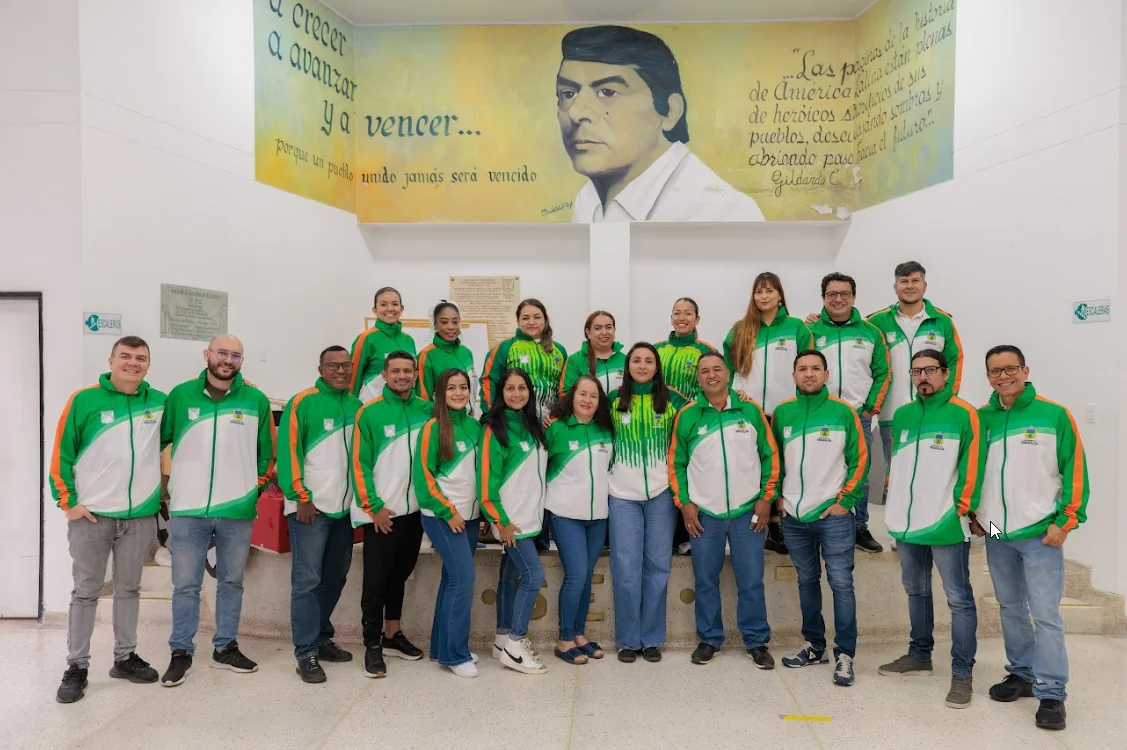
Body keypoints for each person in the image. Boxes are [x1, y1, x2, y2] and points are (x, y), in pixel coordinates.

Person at [975, 345, 1089, 732]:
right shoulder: (981, 418)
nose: (1002, 376)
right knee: (1009, 606)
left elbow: (1075, 470)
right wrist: (978, 517)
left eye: (1009, 369)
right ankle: (1022, 674)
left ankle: (1053, 693)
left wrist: (1066, 521)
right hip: (996, 533)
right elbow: (973, 473)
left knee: (1045, 614)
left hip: (1042, 533)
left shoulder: (1054, 414)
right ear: (987, 375)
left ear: (1025, 370)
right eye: (994, 371)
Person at [52, 336, 165, 704]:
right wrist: (66, 502)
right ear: (111, 360)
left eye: (141, 358)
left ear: (148, 364)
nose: (133, 363)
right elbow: (61, 453)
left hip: (139, 518)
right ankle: (77, 666)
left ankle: (125, 657)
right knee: (86, 592)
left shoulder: (160, 403)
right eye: (126, 357)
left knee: (129, 590)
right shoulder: (84, 400)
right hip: (92, 517)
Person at [160, 335, 276, 687]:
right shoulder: (180, 396)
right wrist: (169, 489)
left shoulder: (255, 399)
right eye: (222, 352)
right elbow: (163, 441)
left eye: (235, 354)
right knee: (185, 585)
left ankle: (225, 647)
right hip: (188, 509)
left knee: (231, 582)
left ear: (242, 360)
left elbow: (266, 453)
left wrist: (250, 490)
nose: (228, 359)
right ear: (207, 354)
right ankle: (181, 652)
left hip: (236, 512)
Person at [557, 25, 764, 223]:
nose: (575, 112)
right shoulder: (587, 201)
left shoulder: (722, 213)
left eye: (608, 92)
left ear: (670, 111)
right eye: (568, 94)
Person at [879, 350, 983, 709]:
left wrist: (960, 508)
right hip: (907, 525)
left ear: (945, 373)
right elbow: (899, 466)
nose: (922, 376)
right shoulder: (904, 415)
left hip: (945, 524)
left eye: (930, 370)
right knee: (916, 590)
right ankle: (919, 655)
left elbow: (973, 466)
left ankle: (962, 674)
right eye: (916, 370)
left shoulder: (963, 413)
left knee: (959, 599)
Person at [669, 352, 779, 668]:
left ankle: (757, 641)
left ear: (729, 374)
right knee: (705, 579)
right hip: (705, 514)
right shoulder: (688, 416)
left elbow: (770, 455)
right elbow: (676, 463)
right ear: (699, 378)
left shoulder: (750, 409)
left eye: (717, 369)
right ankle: (709, 639)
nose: (711, 375)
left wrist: (765, 498)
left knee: (751, 580)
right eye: (705, 371)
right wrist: (685, 504)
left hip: (748, 511)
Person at [772, 350, 866, 687]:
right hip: (794, 516)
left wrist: (846, 501)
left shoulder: (843, 412)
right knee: (806, 581)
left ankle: (845, 655)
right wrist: (779, 498)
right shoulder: (783, 413)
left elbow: (860, 460)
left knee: (841, 584)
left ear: (826, 374)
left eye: (815, 368)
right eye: (802, 369)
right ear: (794, 375)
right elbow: (775, 461)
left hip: (834, 515)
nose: (808, 374)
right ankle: (814, 645)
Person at [278, 345, 363, 684]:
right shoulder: (303, 401)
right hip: (310, 509)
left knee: (335, 577)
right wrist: (300, 496)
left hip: (345, 510)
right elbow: (289, 450)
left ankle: (321, 636)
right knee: (307, 581)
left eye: (346, 365)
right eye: (333, 366)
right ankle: (305, 652)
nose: (341, 371)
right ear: (321, 368)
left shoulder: (358, 406)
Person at [351, 350, 434, 679]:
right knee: (375, 581)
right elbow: (360, 464)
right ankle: (371, 643)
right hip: (382, 514)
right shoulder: (369, 413)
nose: (402, 376)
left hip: (415, 513)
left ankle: (392, 635)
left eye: (408, 371)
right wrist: (374, 507)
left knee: (400, 575)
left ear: (415, 374)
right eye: (396, 371)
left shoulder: (426, 410)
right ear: (384, 376)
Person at [725, 272, 812, 555]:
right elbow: (725, 368)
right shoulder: (741, 329)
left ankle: (781, 527)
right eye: (758, 292)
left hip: (785, 411)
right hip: (750, 413)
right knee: (756, 468)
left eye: (769, 291)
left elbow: (809, 366)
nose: (763, 296)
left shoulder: (797, 327)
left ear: (780, 295)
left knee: (783, 468)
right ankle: (760, 525)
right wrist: (734, 392)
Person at [865, 262, 963, 507]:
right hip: (893, 415)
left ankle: (932, 524)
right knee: (897, 474)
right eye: (904, 281)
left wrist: (946, 403)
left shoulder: (942, 321)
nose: (909, 286)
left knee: (935, 472)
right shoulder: (877, 322)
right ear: (895, 287)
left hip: (934, 414)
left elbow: (955, 363)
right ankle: (902, 530)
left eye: (915, 281)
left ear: (924, 285)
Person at [607, 342, 680, 663]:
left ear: (657, 366)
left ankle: (651, 638)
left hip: (661, 495)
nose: (641, 365)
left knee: (658, 566)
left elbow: (703, 410)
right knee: (625, 568)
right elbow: (579, 416)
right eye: (636, 360)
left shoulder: (672, 400)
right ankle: (627, 639)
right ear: (628, 366)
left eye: (648, 360)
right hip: (622, 495)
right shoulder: (612, 399)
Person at [809, 272, 890, 554]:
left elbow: (883, 372)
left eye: (844, 293)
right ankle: (821, 525)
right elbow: (800, 371)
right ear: (823, 298)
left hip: (859, 417)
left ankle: (860, 528)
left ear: (853, 297)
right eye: (832, 294)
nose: (838, 299)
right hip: (821, 418)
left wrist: (869, 410)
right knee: (821, 472)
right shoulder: (812, 332)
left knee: (862, 475)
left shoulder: (870, 332)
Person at [479, 368, 550, 675]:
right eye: (510, 388)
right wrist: (501, 522)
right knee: (533, 575)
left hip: (529, 518)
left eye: (522, 388)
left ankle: (501, 637)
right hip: (511, 521)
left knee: (510, 577)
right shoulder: (495, 428)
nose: (517, 393)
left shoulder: (533, 425)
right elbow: (487, 483)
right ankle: (516, 645)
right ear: (501, 392)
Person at [414, 368, 484, 678]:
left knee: (451, 580)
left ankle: (442, 647)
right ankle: (455, 656)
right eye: (451, 388)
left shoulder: (475, 427)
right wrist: (447, 511)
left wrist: (479, 514)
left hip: (469, 518)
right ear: (440, 393)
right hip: (444, 517)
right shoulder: (432, 428)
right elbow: (424, 478)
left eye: (463, 387)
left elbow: (479, 475)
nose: (458, 393)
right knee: (463, 580)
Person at [546, 376, 614, 665]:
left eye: (594, 396)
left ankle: (578, 634)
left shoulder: (606, 431)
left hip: (597, 517)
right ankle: (563, 640)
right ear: (572, 397)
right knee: (575, 576)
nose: (587, 400)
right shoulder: (556, 428)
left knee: (586, 578)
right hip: (565, 514)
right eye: (582, 394)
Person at [481, 298, 567, 422]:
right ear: (518, 321)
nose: (531, 322)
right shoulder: (504, 348)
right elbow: (489, 382)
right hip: (515, 419)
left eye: (537, 317)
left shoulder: (559, 350)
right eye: (525, 318)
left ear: (545, 320)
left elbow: (564, 388)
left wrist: (559, 416)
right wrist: (493, 416)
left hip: (550, 421)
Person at [349, 287, 416, 404]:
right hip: (373, 406)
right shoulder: (366, 339)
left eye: (395, 304)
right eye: (383, 304)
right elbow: (353, 378)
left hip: (404, 408)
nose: (390, 309)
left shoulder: (409, 340)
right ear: (375, 310)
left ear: (401, 309)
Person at [418, 301, 479, 417]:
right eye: (444, 322)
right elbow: (423, 399)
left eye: (455, 322)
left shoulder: (466, 352)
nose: (451, 327)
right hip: (442, 423)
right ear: (435, 325)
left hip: (467, 421)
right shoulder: (427, 355)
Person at [655, 297, 711, 405]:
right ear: (671, 318)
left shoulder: (706, 351)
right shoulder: (657, 349)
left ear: (697, 320)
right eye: (677, 313)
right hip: (658, 415)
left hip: (690, 415)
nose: (681, 318)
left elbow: (717, 385)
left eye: (688, 314)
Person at [559, 310, 626, 396]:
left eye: (609, 327)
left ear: (614, 330)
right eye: (598, 328)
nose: (604, 332)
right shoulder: (575, 360)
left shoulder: (626, 360)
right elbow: (565, 393)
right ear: (588, 333)